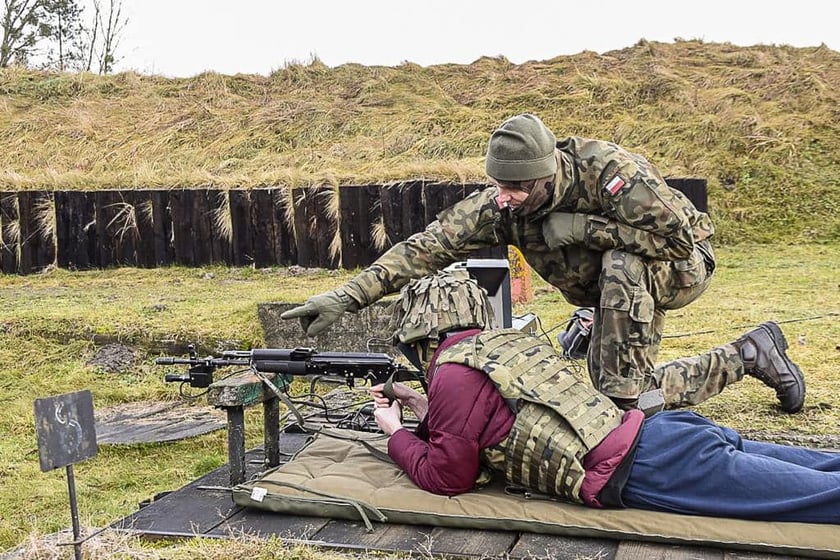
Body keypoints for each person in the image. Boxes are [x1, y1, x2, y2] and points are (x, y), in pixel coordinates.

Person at [281, 112, 805, 413]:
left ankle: (637, 394)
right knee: (616, 399)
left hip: (679, 267)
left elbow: (680, 242)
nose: (503, 198)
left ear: (546, 175)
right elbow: (428, 245)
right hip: (606, 291)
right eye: (497, 186)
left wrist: (584, 229)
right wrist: (347, 296)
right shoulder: (500, 203)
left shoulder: (612, 175)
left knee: (617, 405)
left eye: (516, 188)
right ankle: (750, 354)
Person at [368, 270, 839, 524]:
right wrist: (423, 410)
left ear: (420, 337)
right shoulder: (504, 347)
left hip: (650, 467)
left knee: (821, 501)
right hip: (660, 437)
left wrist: (394, 434)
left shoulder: (452, 370)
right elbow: (486, 419)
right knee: (820, 468)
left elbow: (449, 476)